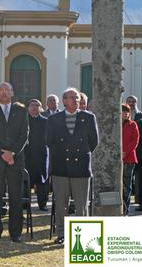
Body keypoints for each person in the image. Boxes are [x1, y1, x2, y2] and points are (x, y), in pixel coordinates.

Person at [46, 87, 99, 244]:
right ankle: (62, 235)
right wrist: (63, 154)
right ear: (64, 100)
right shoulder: (53, 119)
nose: (76, 100)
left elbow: (93, 141)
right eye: (72, 97)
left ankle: (83, 237)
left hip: (81, 167)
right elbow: (49, 141)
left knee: (81, 205)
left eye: (77, 98)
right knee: (61, 204)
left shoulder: (89, 117)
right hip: (60, 167)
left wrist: (81, 152)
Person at [0, 82, 29, 243]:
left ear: (12, 93)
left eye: (7, 90)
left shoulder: (22, 111)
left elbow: (24, 135)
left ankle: (15, 232)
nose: (4, 92)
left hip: (15, 162)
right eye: (0, 90)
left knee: (16, 198)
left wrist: (12, 153)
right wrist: (3, 154)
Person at [24, 99, 49, 211]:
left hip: (41, 155)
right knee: (25, 181)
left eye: (37, 105)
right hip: (26, 155)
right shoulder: (24, 121)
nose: (34, 107)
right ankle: (24, 204)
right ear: (28, 107)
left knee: (42, 181)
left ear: (41, 108)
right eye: (32, 105)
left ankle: (42, 204)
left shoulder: (46, 121)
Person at [121, 103, 139, 215]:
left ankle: (125, 210)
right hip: (116, 159)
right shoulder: (114, 124)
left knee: (127, 185)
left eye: (128, 111)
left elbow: (135, 141)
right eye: (123, 111)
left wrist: (124, 153)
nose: (126, 113)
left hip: (129, 159)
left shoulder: (133, 125)